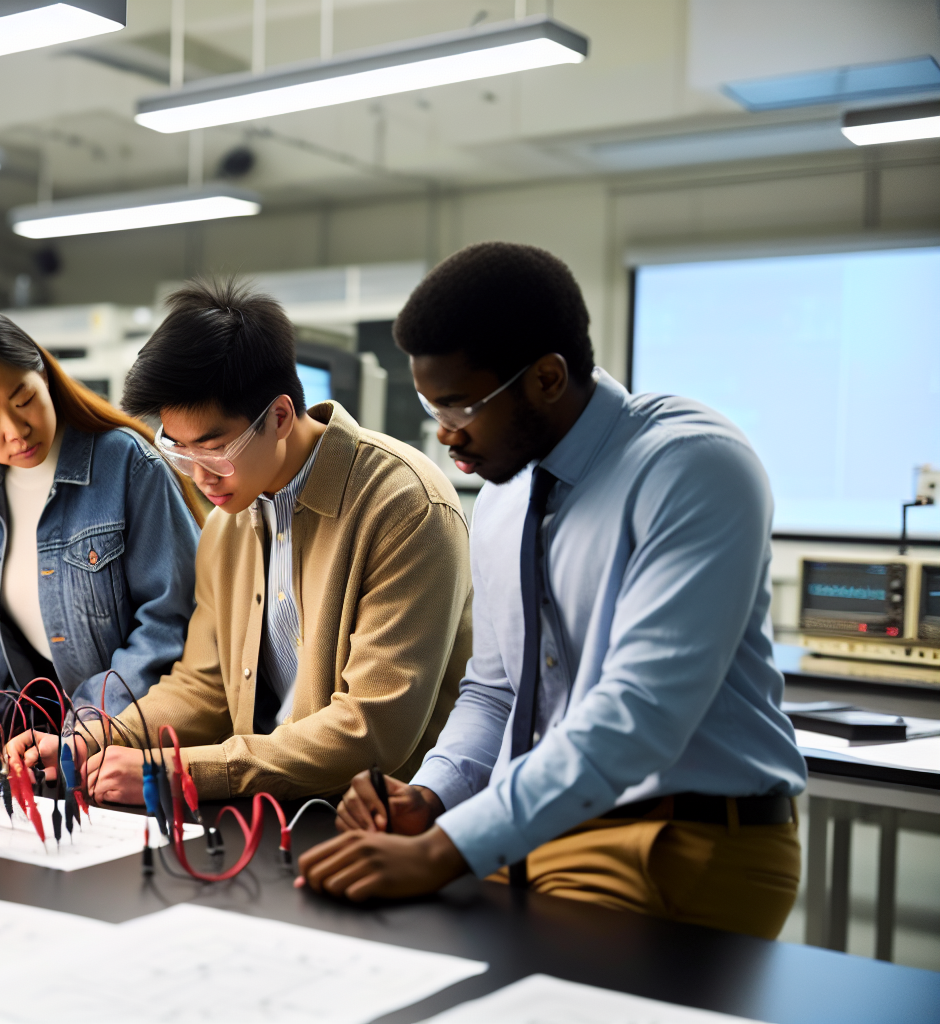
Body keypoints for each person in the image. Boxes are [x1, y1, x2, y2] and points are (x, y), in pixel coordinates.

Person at [299, 242, 806, 941]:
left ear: (545, 378)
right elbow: (497, 692)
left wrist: (444, 851)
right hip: (530, 826)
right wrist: (432, 795)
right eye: (431, 405)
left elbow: (638, 712)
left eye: (462, 405)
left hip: (672, 837)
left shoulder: (693, 467)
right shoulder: (504, 498)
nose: (445, 433)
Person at [8, 277, 472, 802]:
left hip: (385, 826)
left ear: (277, 417)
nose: (200, 476)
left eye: (213, 449)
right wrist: (90, 740)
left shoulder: (403, 505)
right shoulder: (228, 525)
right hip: (273, 812)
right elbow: (201, 690)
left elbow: (370, 729)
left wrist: (176, 774)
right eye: (178, 452)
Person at [0, 309, 202, 742]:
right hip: (56, 738)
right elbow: (11, 629)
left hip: (135, 736)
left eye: (23, 401)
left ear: (45, 376)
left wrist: (89, 725)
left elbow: (173, 620)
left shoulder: (126, 463)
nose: (16, 431)